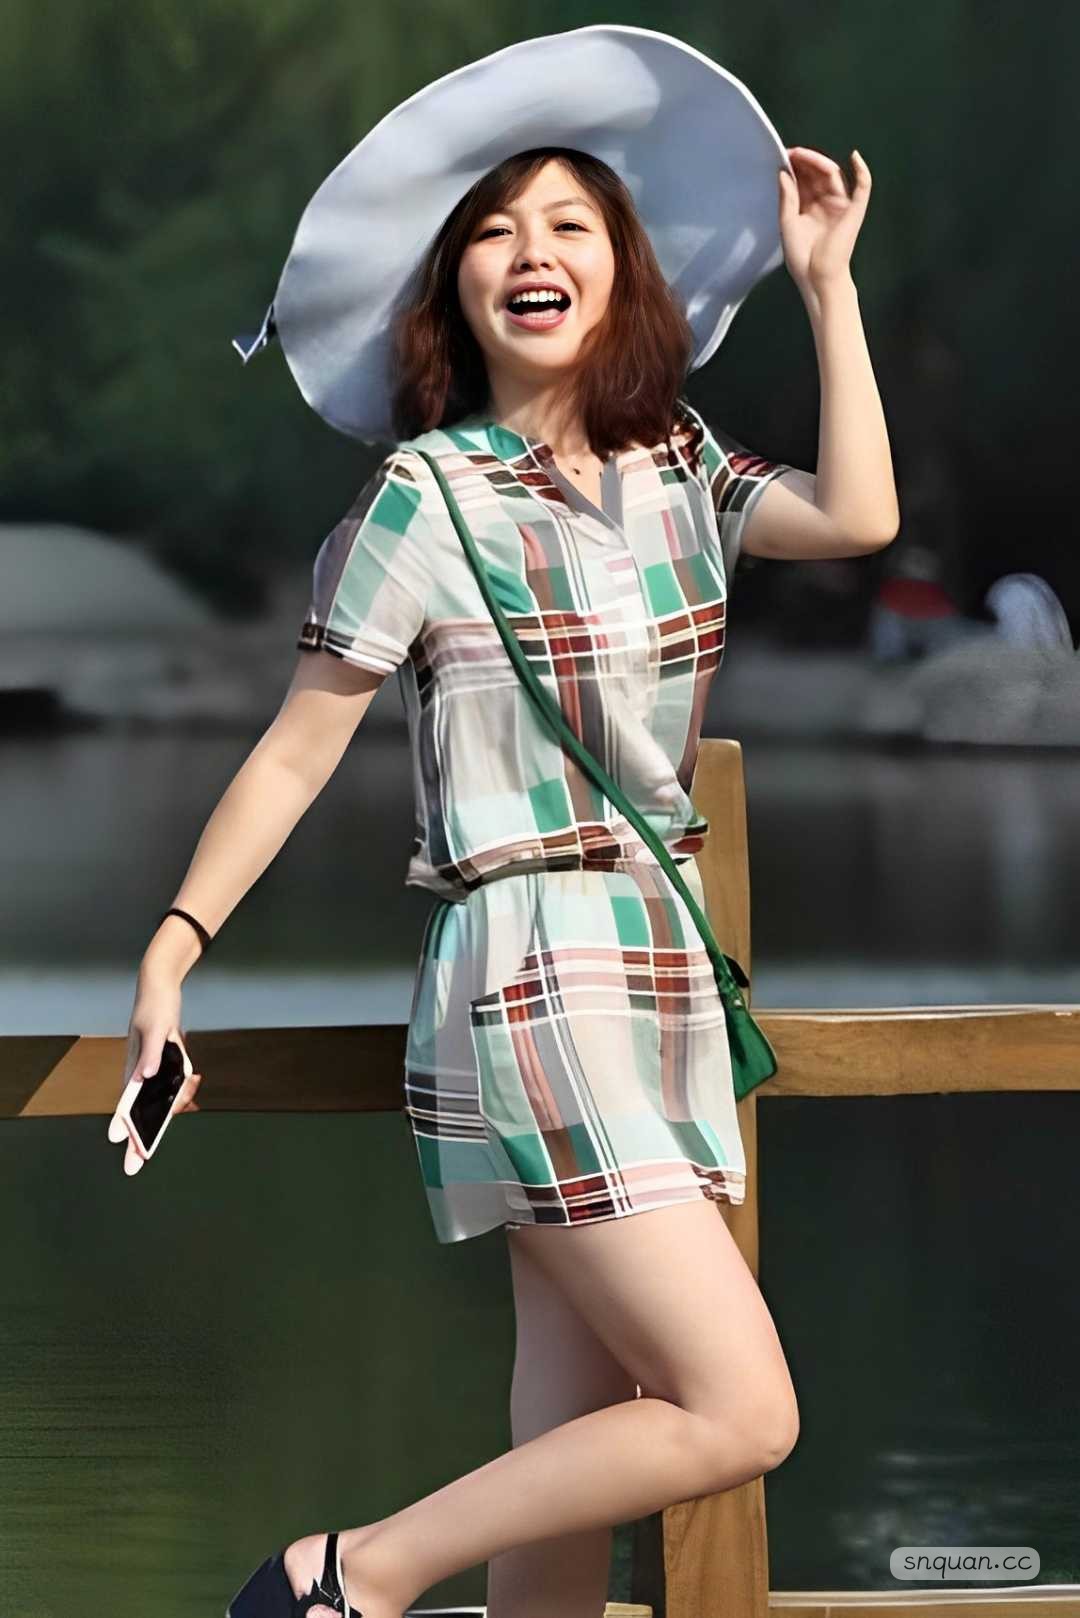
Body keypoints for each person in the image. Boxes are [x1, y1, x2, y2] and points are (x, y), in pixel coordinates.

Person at [114, 27, 899, 1618]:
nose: (530, 251)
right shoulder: (427, 495)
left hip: (659, 963)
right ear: (452, 289)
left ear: (625, 268)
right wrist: (171, 954)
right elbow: (296, 753)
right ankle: (350, 1571)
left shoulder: (680, 461)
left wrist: (827, 286)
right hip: (532, 965)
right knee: (743, 1408)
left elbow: (860, 513)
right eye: (491, 230)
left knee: (576, 1435)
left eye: (567, 223)